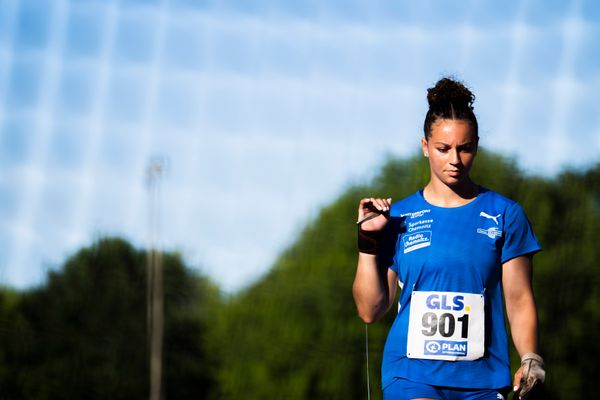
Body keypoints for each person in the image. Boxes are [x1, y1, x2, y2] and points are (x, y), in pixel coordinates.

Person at [352, 77, 545, 400]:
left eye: (464, 148)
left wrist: (531, 358)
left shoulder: (506, 214)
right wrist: (367, 241)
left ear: (477, 146)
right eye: (443, 149)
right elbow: (370, 310)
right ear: (425, 146)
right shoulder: (397, 217)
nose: (454, 160)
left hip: (484, 378)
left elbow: (519, 299)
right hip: (411, 375)